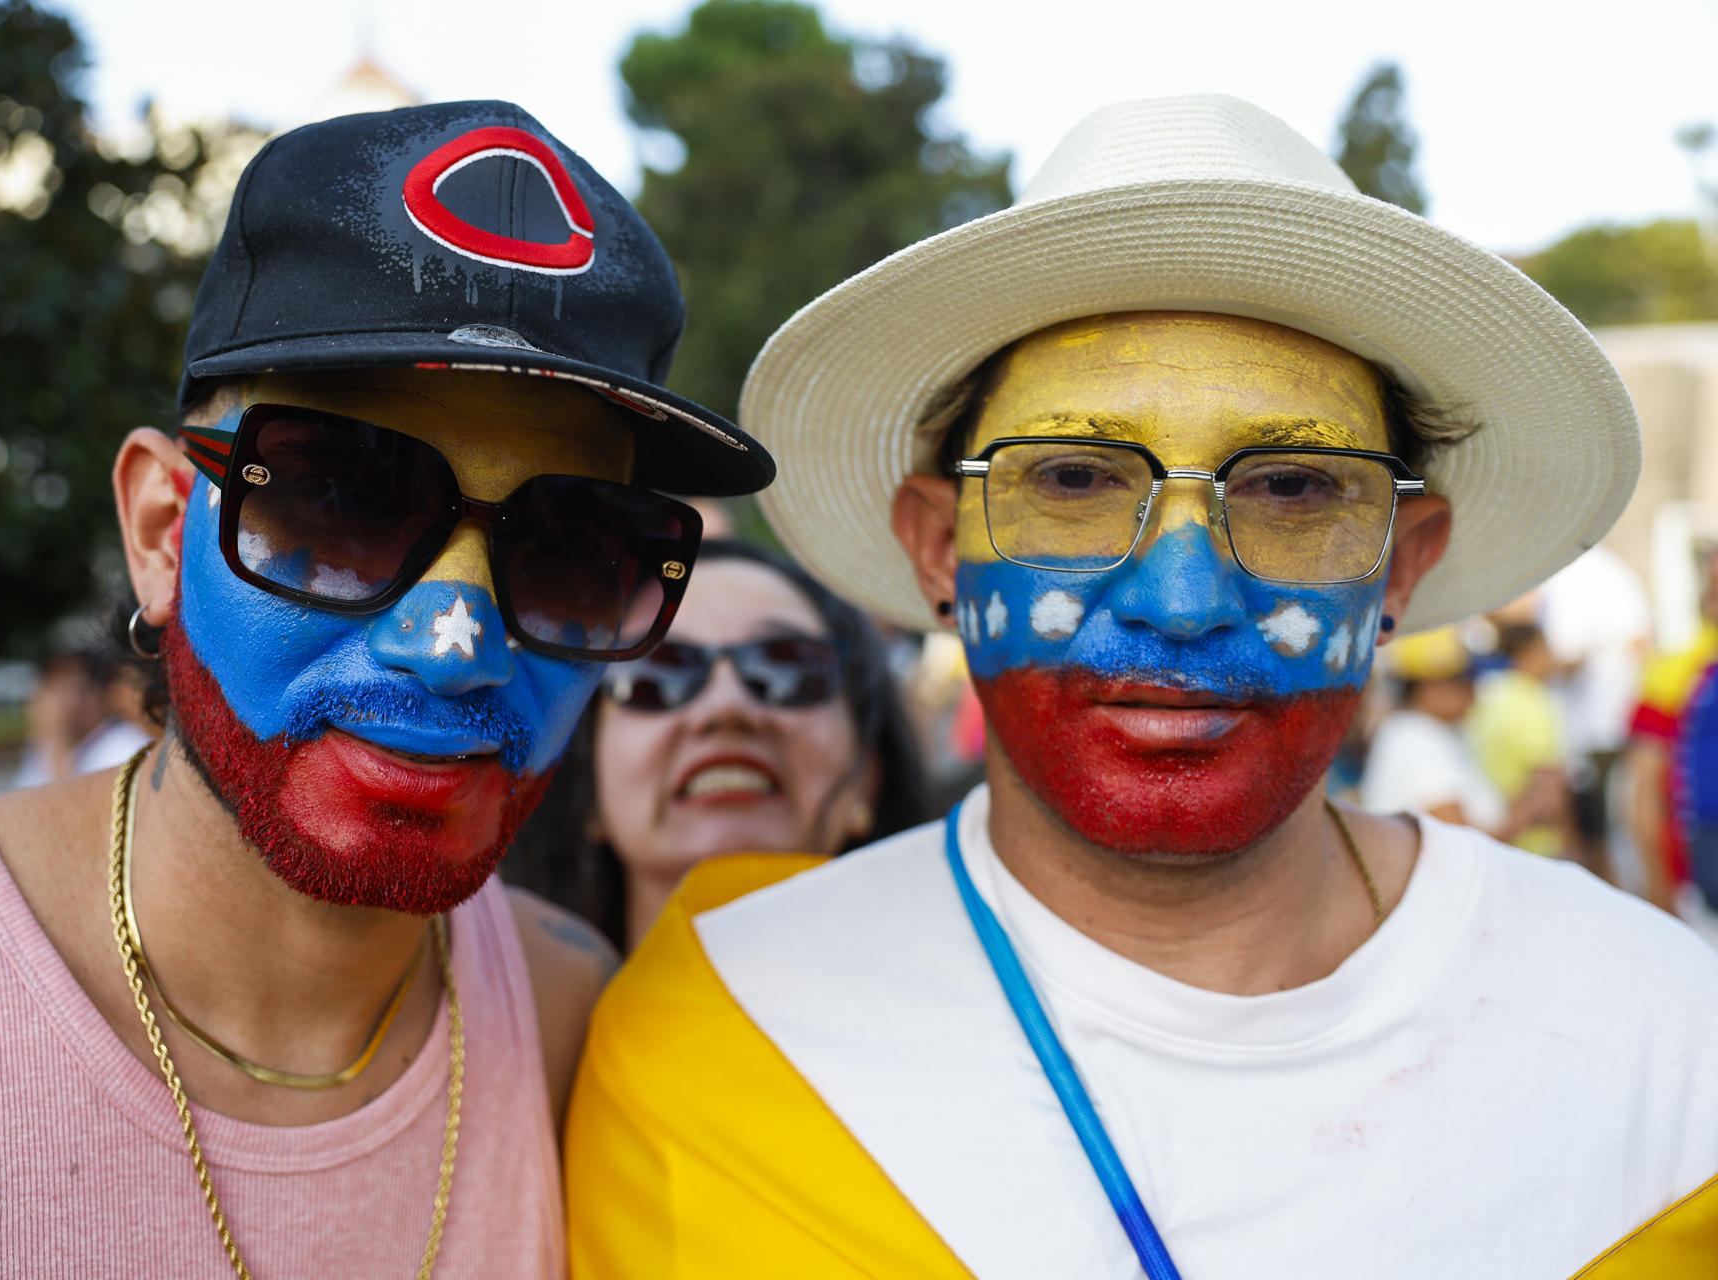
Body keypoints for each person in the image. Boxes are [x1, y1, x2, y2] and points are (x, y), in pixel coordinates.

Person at [565, 96, 1718, 1279]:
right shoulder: (727, 1035)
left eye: (1293, 489)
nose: (1181, 596)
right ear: (937, 550)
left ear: (1402, 563)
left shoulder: (1668, 1048)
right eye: (1070, 475)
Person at [0, 100, 773, 1278]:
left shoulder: (574, 1019)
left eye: (571, 544)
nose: (454, 640)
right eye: (344, 501)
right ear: (162, 531)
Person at [501, 539, 929, 950]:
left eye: (788, 666)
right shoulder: (506, 1020)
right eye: (656, 676)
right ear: (586, 787)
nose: (725, 706)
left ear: (867, 777)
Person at [1360, 626, 1566, 848]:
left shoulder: (1424, 732)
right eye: (1463, 679)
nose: (1473, 688)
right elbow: (1455, 841)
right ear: (1430, 686)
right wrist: (1527, 810)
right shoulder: (1416, 739)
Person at [1628, 542, 1718, 911]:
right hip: (1702, 867)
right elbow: (1643, 789)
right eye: (1711, 581)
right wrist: (1660, 894)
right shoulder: (1675, 668)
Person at [1465, 622, 1575, 856]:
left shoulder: (1491, 694)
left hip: (1499, 834)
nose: (1553, 657)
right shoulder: (1531, 700)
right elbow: (1547, 781)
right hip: (1534, 843)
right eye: (1546, 648)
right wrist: (1569, 843)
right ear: (1530, 651)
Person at [11, 647, 154, 787]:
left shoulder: (125, 745)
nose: (57, 699)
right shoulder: (40, 749)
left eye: (70, 687)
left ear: (99, 695)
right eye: (51, 685)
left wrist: (58, 748)